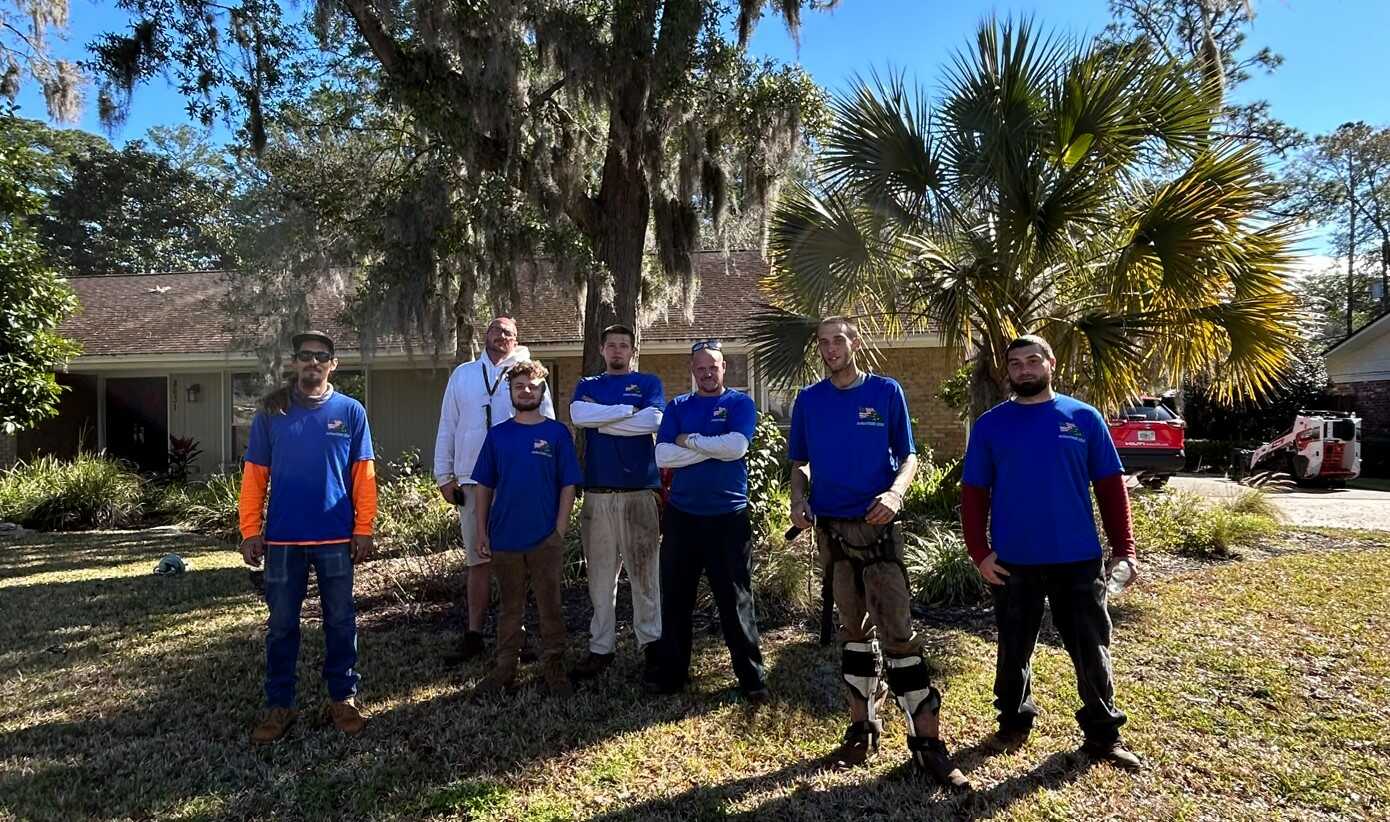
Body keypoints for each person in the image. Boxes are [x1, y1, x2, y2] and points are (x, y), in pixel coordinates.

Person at [788, 316, 970, 789]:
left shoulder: (885, 392)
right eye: (823, 343)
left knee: (899, 634)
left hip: (879, 533)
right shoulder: (809, 401)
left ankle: (927, 743)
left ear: (855, 343)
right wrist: (798, 499)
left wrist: (895, 495)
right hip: (833, 535)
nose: (830, 349)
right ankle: (862, 726)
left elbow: (908, 456)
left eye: (838, 340)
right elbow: (801, 462)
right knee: (853, 633)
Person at [960, 334, 1143, 770]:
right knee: (1013, 647)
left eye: (1032, 360)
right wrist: (980, 553)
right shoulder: (990, 425)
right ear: (1008, 370)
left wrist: (1124, 550)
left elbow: (1110, 487)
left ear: (1050, 364)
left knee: (1090, 649)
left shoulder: (1083, 417)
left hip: (1076, 559)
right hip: (1012, 562)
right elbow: (973, 493)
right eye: (1015, 363)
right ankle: (1013, 723)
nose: (1024, 369)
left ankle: (1103, 735)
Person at [238, 330, 377, 744]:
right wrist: (250, 530)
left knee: (340, 619)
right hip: (282, 540)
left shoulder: (351, 411)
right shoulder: (272, 412)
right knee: (281, 625)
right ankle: (279, 704)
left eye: (321, 356)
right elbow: (254, 475)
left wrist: (363, 528)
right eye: (305, 355)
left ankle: (343, 697)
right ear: (295, 362)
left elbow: (363, 474)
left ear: (333, 364)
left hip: (335, 537)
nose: (313, 362)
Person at [646, 339, 768, 701]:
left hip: (727, 518)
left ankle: (751, 678)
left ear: (723, 368)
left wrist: (691, 441)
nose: (707, 373)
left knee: (735, 600)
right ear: (692, 370)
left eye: (713, 366)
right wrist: (710, 448)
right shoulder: (678, 405)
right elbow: (663, 455)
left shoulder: (739, 403)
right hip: (682, 517)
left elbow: (737, 448)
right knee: (676, 599)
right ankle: (672, 675)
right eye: (700, 368)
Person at [434, 315, 555, 662]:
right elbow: (447, 424)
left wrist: (544, 476)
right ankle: (473, 634)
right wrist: (444, 475)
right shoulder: (464, 375)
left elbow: (545, 425)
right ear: (485, 335)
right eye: (496, 329)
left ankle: (519, 635)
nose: (502, 336)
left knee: (520, 561)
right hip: (473, 480)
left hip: (518, 481)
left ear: (516, 341)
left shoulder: (529, 374)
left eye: (509, 332)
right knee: (478, 561)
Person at [470, 360, 582, 697]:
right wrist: (482, 531)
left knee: (550, 602)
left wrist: (559, 529)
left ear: (542, 390)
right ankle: (506, 667)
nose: (526, 391)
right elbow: (484, 487)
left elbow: (568, 485)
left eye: (532, 386)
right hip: (505, 537)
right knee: (510, 606)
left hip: (545, 538)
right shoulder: (498, 436)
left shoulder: (557, 433)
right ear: (511, 392)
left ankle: (553, 664)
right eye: (519, 386)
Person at [568, 324, 665, 681]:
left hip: (639, 492)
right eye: (612, 346)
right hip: (598, 494)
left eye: (624, 346)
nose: (618, 351)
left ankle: (652, 645)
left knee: (645, 575)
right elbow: (579, 417)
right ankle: (601, 648)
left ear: (632, 350)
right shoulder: (588, 385)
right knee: (600, 577)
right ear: (602, 349)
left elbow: (654, 420)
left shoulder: (649, 383)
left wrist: (604, 419)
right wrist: (628, 411)